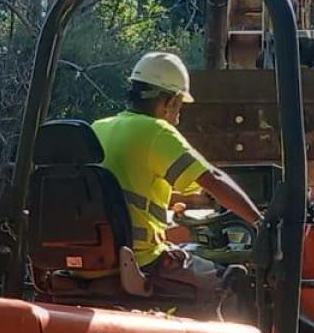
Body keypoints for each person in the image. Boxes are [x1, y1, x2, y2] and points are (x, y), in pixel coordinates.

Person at [92, 52, 261, 295]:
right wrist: (258, 220)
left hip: (100, 258)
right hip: (142, 260)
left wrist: (190, 199)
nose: (178, 116)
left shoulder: (99, 128)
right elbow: (213, 178)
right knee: (234, 285)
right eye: (179, 107)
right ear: (170, 102)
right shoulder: (156, 131)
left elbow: (124, 192)